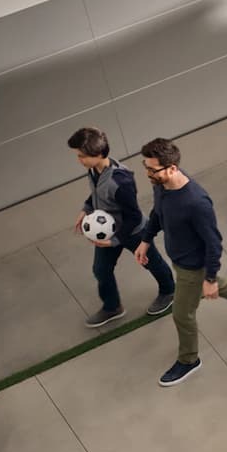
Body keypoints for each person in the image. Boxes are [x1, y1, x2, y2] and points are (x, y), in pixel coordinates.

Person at [133, 138, 227, 387]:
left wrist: (209, 278)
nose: (148, 174)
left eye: (152, 169)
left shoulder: (196, 203)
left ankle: (189, 360)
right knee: (218, 285)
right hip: (179, 258)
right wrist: (146, 240)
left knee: (182, 314)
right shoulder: (162, 185)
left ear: (172, 168)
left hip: (193, 265)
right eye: (145, 167)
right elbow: (158, 212)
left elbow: (214, 243)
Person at [69, 127, 176, 327]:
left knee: (151, 262)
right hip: (107, 231)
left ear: (99, 154)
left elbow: (133, 216)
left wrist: (114, 240)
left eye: (82, 156)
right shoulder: (94, 170)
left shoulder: (121, 181)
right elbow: (96, 194)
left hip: (132, 232)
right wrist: (86, 208)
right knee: (101, 270)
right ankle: (112, 307)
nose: (79, 160)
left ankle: (169, 291)